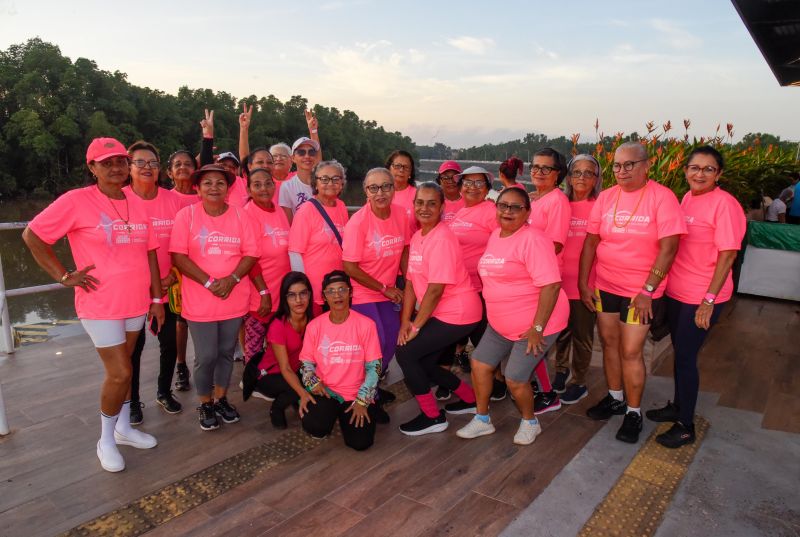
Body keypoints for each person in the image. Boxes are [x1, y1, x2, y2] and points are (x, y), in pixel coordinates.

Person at [23, 137, 164, 472]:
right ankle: (106, 439)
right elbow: (32, 235)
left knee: (127, 365)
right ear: (92, 168)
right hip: (99, 302)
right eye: (106, 163)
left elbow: (150, 253)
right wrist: (62, 274)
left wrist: (157, 298)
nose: (115, 168)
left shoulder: (136, 202)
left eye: (119, 161)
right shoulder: (77, 201)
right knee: (120, 372)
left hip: (136, 301)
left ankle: (125, 427)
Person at [579, 141, 686, 444]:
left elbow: (669, 248)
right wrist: (584, 283)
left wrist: (648, 290)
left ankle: (633, 412)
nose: (622, 171)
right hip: (606, 285)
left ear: (646, 165)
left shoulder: (662, 198)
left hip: (641, 291)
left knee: (630, 351)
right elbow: (591, 242)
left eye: (630, 164)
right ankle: (615, 397)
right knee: (609, 343)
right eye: (616, 165)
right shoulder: (607, 198)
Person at [648, 146, 746, 448]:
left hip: (702, 295)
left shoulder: (725, 205)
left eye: (708, 169)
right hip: (679, 290)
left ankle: (686, 425)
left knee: (687, 358)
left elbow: (728, 254)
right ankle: (678, 406)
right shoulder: (688, 198)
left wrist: (709, 300)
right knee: (680, 353)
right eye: (694, 168)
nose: (699, 174)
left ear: (719, 174)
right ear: (686, 170)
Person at [457, 186, 569, 444]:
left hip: (536, 324)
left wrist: (537, 328)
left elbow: (551, 285)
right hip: (500, 324)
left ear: (527, 212)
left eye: (516, 207)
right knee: (480, 364)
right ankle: (482, 419)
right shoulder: (496, 234)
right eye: (503, 205)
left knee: (515, 379)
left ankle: (531, 422)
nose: (508, 211)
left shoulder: (534, 240)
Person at [169, 164, 264, 431]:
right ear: (197, 188)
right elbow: (178, 256)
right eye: (207, 183)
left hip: (234, 297)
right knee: (206, 355)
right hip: (200, 301)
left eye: (220, 183)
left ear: (228, 188)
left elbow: (251, 253)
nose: (214, 187)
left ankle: (221, 398)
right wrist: (210, 282)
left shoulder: (240, 216)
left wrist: (232, 279)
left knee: (225, 353)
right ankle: (205, 402)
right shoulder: (186, 216)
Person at [395, 182, 483, 436]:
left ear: (442, 207)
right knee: (425, 362)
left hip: (459, 312)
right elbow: (411, 283)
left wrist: (416, 327)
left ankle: (433, 417)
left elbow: (435, 290)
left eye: (432, 203)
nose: (425, 208)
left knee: (407, 354)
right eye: (420, 202)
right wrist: (405, 322)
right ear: (413, 206)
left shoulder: (442, 238)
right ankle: (470, 399)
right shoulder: (418, 236)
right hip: (443, 313)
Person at [123, 141, 184, 423]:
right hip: (133, 288)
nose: (148, 168)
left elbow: (183, 242)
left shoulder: (172, 200)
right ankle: (133, 400)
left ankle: (163, 391)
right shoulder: (119, 199)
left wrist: (171, 275)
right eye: (140, 162)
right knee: (132, 349)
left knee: (170, 342)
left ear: (161, 169)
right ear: (129, 167)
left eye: (153, 163)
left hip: (168, 284)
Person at [342, 167, 410, 419]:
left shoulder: (401, 214)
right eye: (373, 188)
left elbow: (404, 248)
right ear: (366, 192)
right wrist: (384, 288)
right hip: (364, 291)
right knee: (375, 343)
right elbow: (349, 266)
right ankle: (367, 398)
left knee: (391, 342)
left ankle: (372, 387)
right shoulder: (358, 222)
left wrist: (408, 281)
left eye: (386, 186)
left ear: (394, 188)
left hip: (391, 291)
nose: (380, 193)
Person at [299, 271, 381, 451]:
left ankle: (368, 407)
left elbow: (375, 367)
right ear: (324, 297)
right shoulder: (315, 326)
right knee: (316, 427)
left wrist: (362, 401)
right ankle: (329, 414)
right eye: (331, 291)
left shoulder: (366, 325)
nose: (337, 295)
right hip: (326, 391)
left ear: (350, 293)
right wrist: (311, 382)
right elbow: (306, 362)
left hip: (355, 394)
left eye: (342, 290)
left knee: (360, 443)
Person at [552, 155, 602, 404]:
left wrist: (588, 286)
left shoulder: (601, 205)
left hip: (587, 284)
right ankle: (561, 370)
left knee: (582, 336)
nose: (582, 177)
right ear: (569, 177)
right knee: (560, 332)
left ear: (596, 178)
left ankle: (579, 380)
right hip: (558, 282)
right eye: (577, 173)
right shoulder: (560, 203)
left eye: (588, 173)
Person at [445, 166, 497, 396]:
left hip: (481, 289)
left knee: (485, 341)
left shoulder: (490, 211)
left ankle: (496, 385)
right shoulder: (462, 211)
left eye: (478, 183)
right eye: (467, 183)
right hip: (460, 288)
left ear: (487, 188)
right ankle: (450, 383)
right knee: (459, 337)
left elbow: (502, 244)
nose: (472, 188)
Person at [526, 148, 571, 413]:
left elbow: (554, 244)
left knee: (535, 337)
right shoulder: (537, 199)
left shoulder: (557, 201)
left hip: (544, 279)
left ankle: (547, 393)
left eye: (546, 168)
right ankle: (539, 387)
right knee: (529, 336)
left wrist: (523, 261)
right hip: (529, 279)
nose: (538, 172)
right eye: (535, 167)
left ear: (558, 174)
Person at [248, 272, 315, 429]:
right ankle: (277, 408)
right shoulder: (278, 325)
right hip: (270, 374)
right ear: (285, 298)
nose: (298, 300)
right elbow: (284, 368)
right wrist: (303, 392)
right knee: (302, 386)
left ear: (310, 294)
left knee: (312, 383)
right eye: (292, 295)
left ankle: (293, 396)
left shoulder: (315, 312)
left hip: (298, 368)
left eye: (303, 293)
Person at [288, 160, 349, 313]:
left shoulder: (341, 206)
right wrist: (303, 289)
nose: (331, 183)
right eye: (324, 179)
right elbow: (295, 252)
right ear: (315, 183)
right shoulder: (306, 211)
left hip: (338, 287)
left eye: (336, 179)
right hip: (315, 289)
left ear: (342, 183)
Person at [242, 168, 290, 361]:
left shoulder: (278, 209)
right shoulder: (248, 214)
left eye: (268, 183)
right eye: (257, 184)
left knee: (276, 347)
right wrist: (264, 293)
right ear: (248, 189)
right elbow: (248, 258)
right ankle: (250, 383)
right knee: (254, 347)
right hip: (260, 296)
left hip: (281, 293)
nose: (264, 188)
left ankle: (269, 383)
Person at [165, 149, 197, 391]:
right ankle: (181, 364)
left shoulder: (202, 196)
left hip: (202, 267)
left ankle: (202, 363)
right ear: (169, 172)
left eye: (188, 164)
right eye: (178, 164)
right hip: (175, 269)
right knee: (181, 321)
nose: (183, 168)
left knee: (202, 319)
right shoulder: (165, 198)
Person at [279, 137, 322, 223]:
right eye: (301, 152)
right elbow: (289, 223)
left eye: (311, 152)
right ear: (293, 158)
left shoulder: (324, 183)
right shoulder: (287, 186)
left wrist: (313, 131)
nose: (307, 156)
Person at [385, 150, 417, 221]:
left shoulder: (418, 195)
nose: (401, 170)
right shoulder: (379, 193)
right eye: (397, 166)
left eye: (406, 167)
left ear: (410, 172)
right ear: (389, 168)